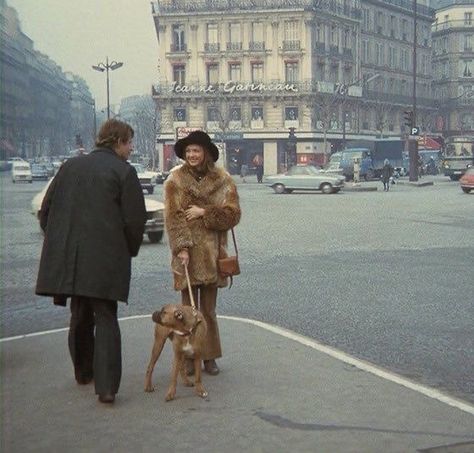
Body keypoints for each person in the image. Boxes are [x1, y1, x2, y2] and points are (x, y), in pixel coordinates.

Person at [35, 119, 147, 404]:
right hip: (106, 259)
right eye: (130, 142)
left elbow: (45, 212)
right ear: (118, 141)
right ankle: (107, 387)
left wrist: (62, 242)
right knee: (106, 316)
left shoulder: (69, 167)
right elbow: (135, 221)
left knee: (80, 313)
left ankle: (83, 373)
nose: (131, 149)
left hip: (71, 259)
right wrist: (127, 250)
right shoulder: (124, 171)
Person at [164, 130, 241, 376]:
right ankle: (188, 358)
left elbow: (233, 214)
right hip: (187, 256)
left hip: (211, 256)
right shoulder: (175, 181)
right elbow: (173, 219)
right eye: (188, 151)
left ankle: (209, 357)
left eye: (196, 150)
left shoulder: (223, 180)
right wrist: (182, 248)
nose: (192, 155)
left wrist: (204, 213)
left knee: (208, 311)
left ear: (205, 153)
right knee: (187, 312)